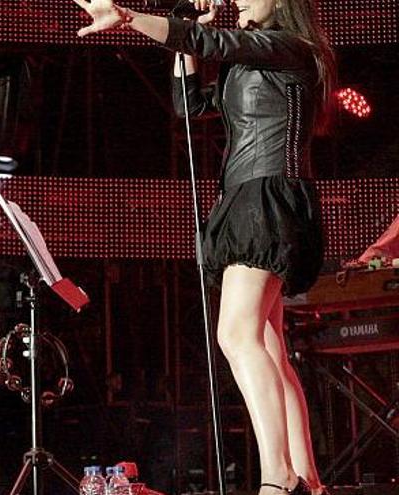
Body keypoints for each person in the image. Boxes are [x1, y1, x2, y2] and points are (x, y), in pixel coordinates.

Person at [70, 1, 336, 494]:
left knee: (236, 334)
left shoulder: (288, 47)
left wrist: (130, 17)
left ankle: (278, 478)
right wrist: (182, 24)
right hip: (251, 197)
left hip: (267, 196)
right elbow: (188, 104)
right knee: (271, 350)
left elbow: (206, 41)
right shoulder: (253, 60)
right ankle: (310, 481)